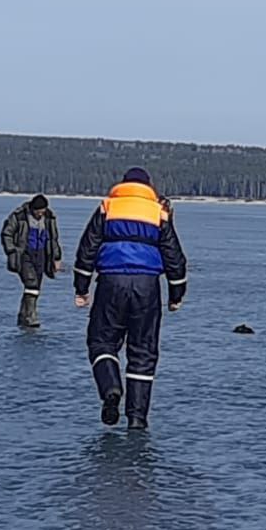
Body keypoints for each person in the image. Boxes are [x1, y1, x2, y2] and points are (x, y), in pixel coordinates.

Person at [73, 167, 188, 429]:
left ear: (123, 185)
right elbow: (175, 258)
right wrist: (176, 294)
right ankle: (137, 418)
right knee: (143, 353)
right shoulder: (159, 213)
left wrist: (81, 288)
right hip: (147, 286)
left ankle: (111, 387)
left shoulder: (107, 208)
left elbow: (87, 249)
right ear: (149, 186)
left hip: (111, 282)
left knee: (101, 342)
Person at [0, 194, 62, 328]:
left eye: (43, 211)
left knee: (35, 288)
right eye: (39, 211)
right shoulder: (19, 216)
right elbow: (7, 233)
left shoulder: (49, 218)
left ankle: (23, 316)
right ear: (33, 209)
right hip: (24, 255)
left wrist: (56, 257)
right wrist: (12, 250)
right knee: (31, 284)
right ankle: (31, 317)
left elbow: (53, 239)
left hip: (42, 255)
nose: (41, 214)